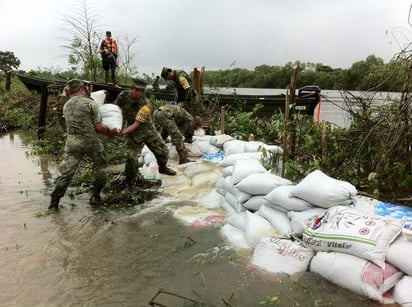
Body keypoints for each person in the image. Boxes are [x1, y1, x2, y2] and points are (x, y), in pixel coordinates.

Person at [48, 79, 120, 211]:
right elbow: (98, 126)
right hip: (91, 142)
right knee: (100, 167)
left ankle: (54, 203)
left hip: (73, 143)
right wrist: (110, 133)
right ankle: (95, 197)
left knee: (67, 173)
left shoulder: (67, 105)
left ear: (70, 91)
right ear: (82, 89)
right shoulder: (90, 104)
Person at [115, 77, 176, 190]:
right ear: (132, 88)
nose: (139, 92)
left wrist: (121, 132)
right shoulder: (123, 97)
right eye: (136, 89)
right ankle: (131, 181)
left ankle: (163, 168)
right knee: (131, 159)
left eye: (141, 90)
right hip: (132, 133)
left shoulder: (146, 105)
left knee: (163, 152)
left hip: (147, 131)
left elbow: (136, 124)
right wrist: (115, 126)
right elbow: (116, 110)